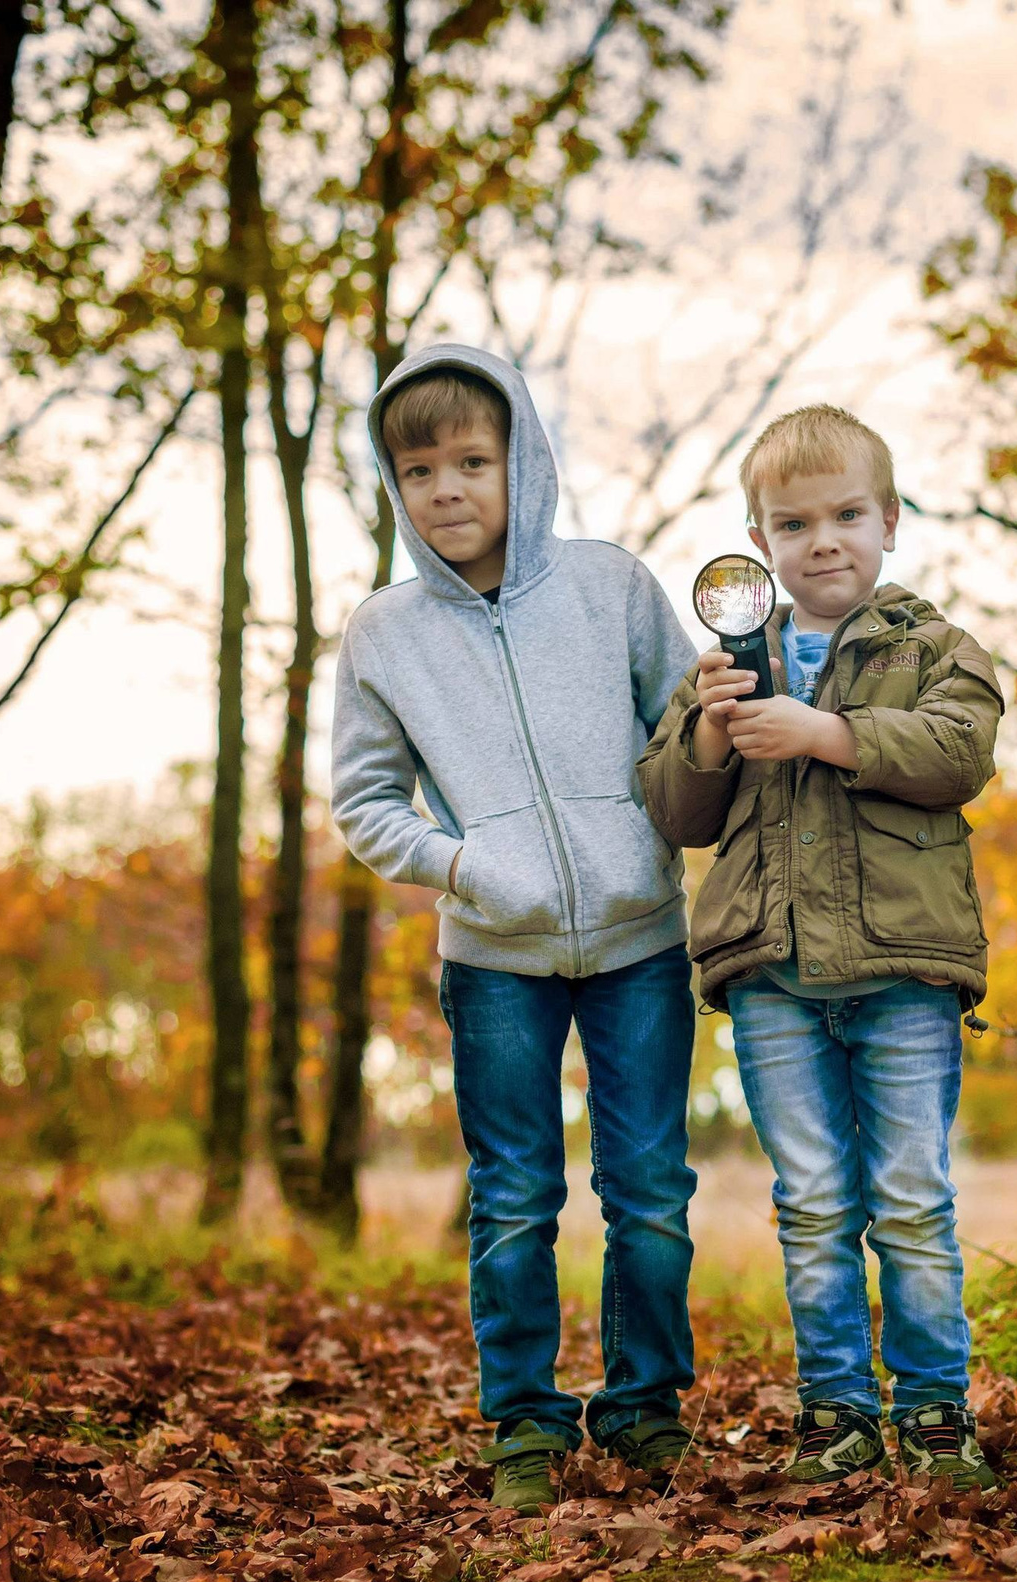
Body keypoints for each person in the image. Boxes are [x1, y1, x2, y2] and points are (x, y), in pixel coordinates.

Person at [330, 345, 701, 1516]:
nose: (447, 488)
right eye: (420, 468)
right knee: (514, 1197)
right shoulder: (383, 635)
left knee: (647, 1191)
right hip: (493, 961)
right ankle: (527, 1429)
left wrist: (686, 802)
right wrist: (463, 866)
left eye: (473, 462)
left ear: (519, 463)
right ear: (395, 486)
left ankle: (645, 1412)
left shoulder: (609, 586)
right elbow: (364, 803)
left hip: (642, 939)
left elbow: (684, 726)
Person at [637, 403, 1004, 1491]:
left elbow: (958, 751)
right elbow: (672, 810)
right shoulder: (728, 668)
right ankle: (836, 1411)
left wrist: (828, 735)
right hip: (772, 979)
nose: (824, 540)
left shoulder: (937, 648)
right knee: (810, 1202)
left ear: (889, 520)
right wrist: (708, 732)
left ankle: (936, 1412)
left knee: (910, 1196)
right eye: (793, 524)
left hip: (903, 974)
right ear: (760, 546)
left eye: (847, 514)